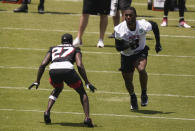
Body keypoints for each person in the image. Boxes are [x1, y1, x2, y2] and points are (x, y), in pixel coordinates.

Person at [28, 33, 96, 127]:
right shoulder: (75, 48)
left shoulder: (53, 48)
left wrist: (37, 80)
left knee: (58, 88)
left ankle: (47, 112)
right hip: (68, 70)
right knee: (82, 92)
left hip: (53, 70)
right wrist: (87, 82)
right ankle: (87, 118)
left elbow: (43, 64)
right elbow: (79, 65)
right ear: (71, 41)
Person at [114, 7, 162, 110]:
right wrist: (129, 44)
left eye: (130, 15)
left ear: (135, 16)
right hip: (126, 55)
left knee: (141, 69)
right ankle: (133, 96)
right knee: (128, 80)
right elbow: (118, 47)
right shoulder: (119, 29)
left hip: (140, 51)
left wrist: (158, 43)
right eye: (126, 15)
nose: (128, 17)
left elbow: (154, 25)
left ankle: (144, 94)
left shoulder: (143, 25)